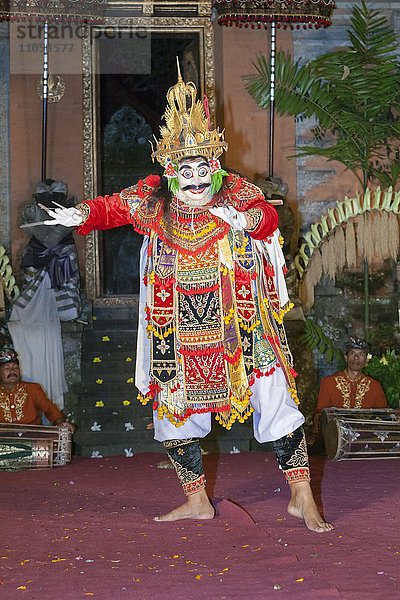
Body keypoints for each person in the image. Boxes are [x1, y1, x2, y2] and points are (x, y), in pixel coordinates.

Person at [41, 67, 333, 532]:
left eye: (204, 169)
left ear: (215, 167)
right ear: (171, 173)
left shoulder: (236, 193)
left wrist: (244, 223)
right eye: (186, 171)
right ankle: (197, 500)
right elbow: (113, 207)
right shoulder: (153, 200)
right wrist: (79, 213)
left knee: (275, 394)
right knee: (173, 412)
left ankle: (301, 496)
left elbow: (267, 219)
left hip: (242, 321)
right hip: (173, 326)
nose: (197, 180)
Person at [315, 336, 387, 419]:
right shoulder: (328, 383)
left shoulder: (375, 386)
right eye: (352, 353)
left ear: (366, 360)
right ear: (346, 358)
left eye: (361, 354)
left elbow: (383, 417)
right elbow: (320, 416)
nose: (356, 358)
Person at [0, 348, 73, 428]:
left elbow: (49, 408)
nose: (12, 371)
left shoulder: (33, 389)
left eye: (16, 367)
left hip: (32, 436)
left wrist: (60, 422)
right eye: (7, 368)